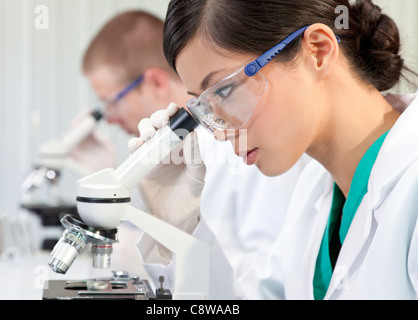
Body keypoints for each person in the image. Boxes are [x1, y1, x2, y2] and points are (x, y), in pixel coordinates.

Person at [131, 0, 418, 299]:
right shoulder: (312, 193)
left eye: (224, 91)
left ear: (318, 51)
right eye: (204, 107)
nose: (218, 133)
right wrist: (177, 228)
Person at [81, 10, 309, 298]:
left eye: (111, 102)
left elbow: (265, 286)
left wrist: (168, 243)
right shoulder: (168, 153)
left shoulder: (254, 140)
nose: (110, 118)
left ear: (156, 83)